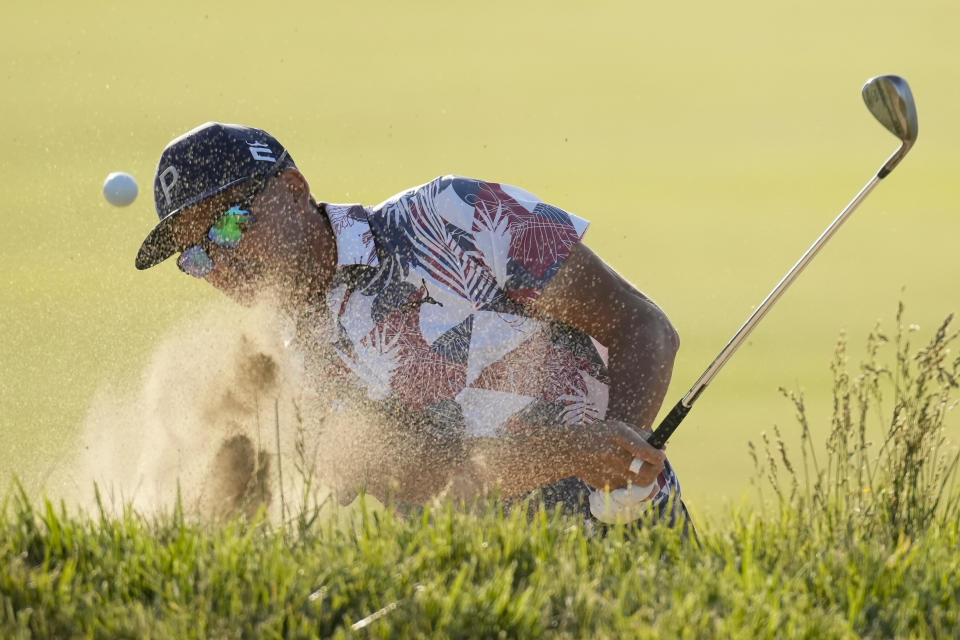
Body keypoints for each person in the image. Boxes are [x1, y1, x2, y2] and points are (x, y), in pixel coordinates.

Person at [135, 122, 688, 527]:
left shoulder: (451, 215)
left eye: (229, 226)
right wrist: (568, 453)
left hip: (644, 550)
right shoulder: (290, 376)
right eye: (196, 256)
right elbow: (434, 481)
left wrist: (621, 456)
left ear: (295, 190)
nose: (220, 263)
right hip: (487, 601)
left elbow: (641, 325)